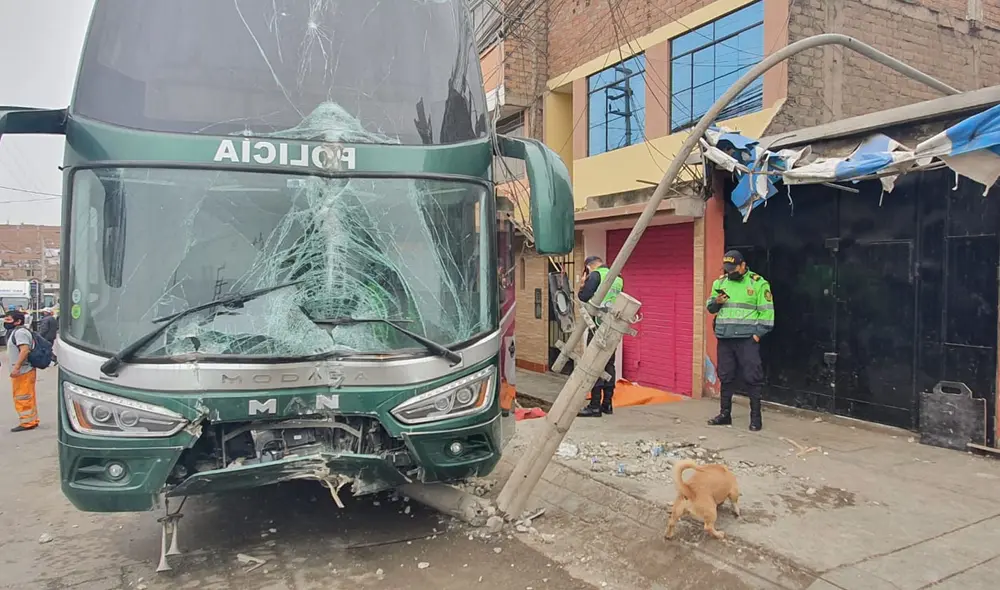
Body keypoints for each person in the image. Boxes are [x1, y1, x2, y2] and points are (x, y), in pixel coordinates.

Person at [705, 250, 774, 431]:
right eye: (727, 269)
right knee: (725, 376)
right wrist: (717, 302)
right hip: (725, 337)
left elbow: (767, 313)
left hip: (746, 339)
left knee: (753, 377)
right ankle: (724, 414)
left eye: (733, 269)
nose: (730, 273)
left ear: (743, 265)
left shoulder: (758, 283)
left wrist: (757, 334)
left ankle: (755, 418)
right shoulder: (720, 283)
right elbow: (710, 307)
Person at [576, 255, 624, 418]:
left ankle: (595, 406)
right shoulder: (618, 277)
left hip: (598, 325)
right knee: (609, 364)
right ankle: (607, 404)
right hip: (613, 326)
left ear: (589, 267)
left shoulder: (596, 275)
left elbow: (583, 297)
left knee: (594, 364)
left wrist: (583, 284)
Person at [5, 310, 38, 432]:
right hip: (24, 370)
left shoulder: (20, 333)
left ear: (18, 321)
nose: (5, 322)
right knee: (28, 396)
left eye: (9, 320)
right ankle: (31, 420)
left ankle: (27, 422)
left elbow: (24, 350)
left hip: (23, 371)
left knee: (22, 397)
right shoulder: (18, 332)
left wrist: (17, 367)